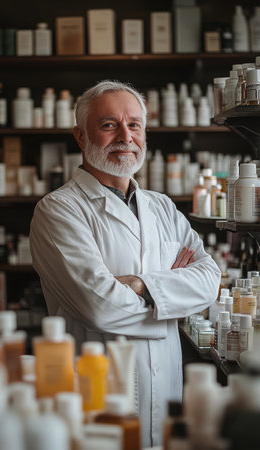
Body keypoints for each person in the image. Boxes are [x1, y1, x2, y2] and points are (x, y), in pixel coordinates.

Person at [29, 80, 221, 448]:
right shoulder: (59, 210)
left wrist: (138, 285)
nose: (125, 136)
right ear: (80, 136)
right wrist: (172, 295)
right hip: (99, 392)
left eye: (134, 124)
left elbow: (210, 282)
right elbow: (100, 307)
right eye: (108, 125)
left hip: (167, 392)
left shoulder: (162, 207)